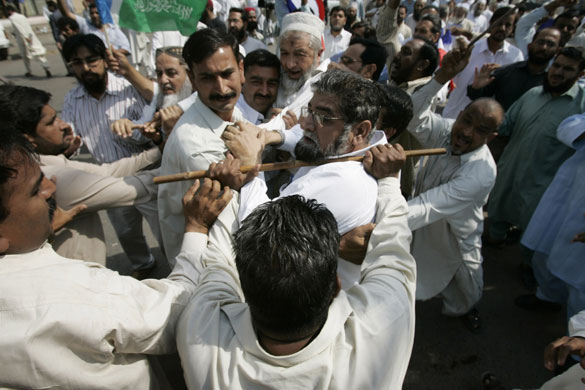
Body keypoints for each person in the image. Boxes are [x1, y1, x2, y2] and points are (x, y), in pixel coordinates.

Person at [0, 130, 232, 388]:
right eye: (35, 191)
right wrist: (197, 229)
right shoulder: (69, 289)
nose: (50, 187)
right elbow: (176, 311)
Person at [177, 142, 415, 389]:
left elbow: (216, 263)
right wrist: (388, 181)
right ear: (336, 286)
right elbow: (393, 248)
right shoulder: (383, 327)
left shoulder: (201, 335)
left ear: (243, 291)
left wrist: (230, 192)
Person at [216, 70, 388, 287]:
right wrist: (269, 137)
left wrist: (251, 165)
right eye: (309, 111)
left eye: (323, 117)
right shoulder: (341, 150)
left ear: (361, 131)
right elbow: (303, 137)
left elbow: (257, 232)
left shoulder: (341, 181)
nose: (306, 124)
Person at [0, 85, 160, 266]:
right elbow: (139, 187)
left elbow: (107, 172)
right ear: (26, 138)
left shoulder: (43, 163)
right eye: (51, 122)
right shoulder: (50, 177)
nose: (63, 125)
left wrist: (161, 148)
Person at [406, 44, 503, 332]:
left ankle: (466, 308)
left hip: (456, 230)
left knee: (467, 280)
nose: (466, 132)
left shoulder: (481, 172)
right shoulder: (446, 129)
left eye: (481, 130)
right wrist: (440, 77)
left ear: (491, 138)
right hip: (421, 218)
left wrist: (377, 221)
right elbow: (413, 118)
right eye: (466, 121)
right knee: (417, 262)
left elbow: (429, 206)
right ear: (459, 114)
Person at [61, 34, 161, 275]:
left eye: (92, 60)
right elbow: (68, 137)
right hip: (109, 179)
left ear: (105, 60)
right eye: (77, 62)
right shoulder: (72, 100)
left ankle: (181, 267)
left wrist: (136, 129)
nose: (86, 68)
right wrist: (69, 145)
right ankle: (144, 265)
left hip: (147, 172)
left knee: (164, 226)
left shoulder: (129, 89)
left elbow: (155, 108)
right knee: (126, 231)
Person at [158, 28, 247, 264]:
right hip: (204, 265)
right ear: (192, 79)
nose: (221, 88)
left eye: (227, 73)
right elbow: (240, 206)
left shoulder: (231, 111)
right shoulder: (194, 144)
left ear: (241, 69)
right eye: (208, 77)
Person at [487, 47, 585, 246]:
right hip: (510, 173)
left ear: (580, 74)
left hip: (543, 185)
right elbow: (505, 125)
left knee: (536, 232)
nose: (558, 72)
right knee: (497, 216)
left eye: (567, 69)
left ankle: (528, 266)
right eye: (556, 65)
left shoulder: (581, 105)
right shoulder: (532, 94)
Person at [515, 113, 585, 317]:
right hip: (567, 199)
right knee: (544, 255)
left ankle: (575, 340)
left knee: (579, 286)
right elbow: (567, 127)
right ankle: (547, 297)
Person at [442, 7, 524, 119]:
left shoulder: (516, 56)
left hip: (484, 123)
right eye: (499, 23)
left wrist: (502, 74)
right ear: (491, 23)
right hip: (455, 115)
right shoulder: (471, 49)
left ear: (513, 29)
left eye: (508, 25)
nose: (502, 28)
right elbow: (450, 77)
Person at [467, 28, 561, 111]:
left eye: (550, 44)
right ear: (529, 47)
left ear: (557, 51)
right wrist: (476, 88)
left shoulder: (555, 82)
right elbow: (477, 97)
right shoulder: (507, 72)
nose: (544, 47)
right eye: (540, 42)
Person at [56, 0, 130, 53]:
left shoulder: (113, 29)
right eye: (92, 13)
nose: (94, 15)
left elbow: (126, 49)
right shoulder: (86, 25)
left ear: (103, 13)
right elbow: (67, 13)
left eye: (97, 13)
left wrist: (110, 53)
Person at [514, 0, 580, 57]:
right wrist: (555, 4)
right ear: (553, 26)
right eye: (561, 26)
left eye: (570, 28)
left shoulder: (571, 57)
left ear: (575, 31)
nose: (564, 30)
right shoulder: (533, 45)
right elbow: (523, 24)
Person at [6, 4, 52, 78]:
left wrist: (25, 37)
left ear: (9, 11)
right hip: (31, 37)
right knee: (38, 54)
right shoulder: (22, 16)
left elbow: (19, 28)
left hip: (23, 39)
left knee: (25, 56)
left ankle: (29, 71)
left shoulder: (12, 18)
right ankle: (46, 69)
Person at [236, 49, 280, 124]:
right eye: (256, 82)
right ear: (242, 80)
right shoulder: (230, 114)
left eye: (271, 84)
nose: (264, 92)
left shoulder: (278, 116)